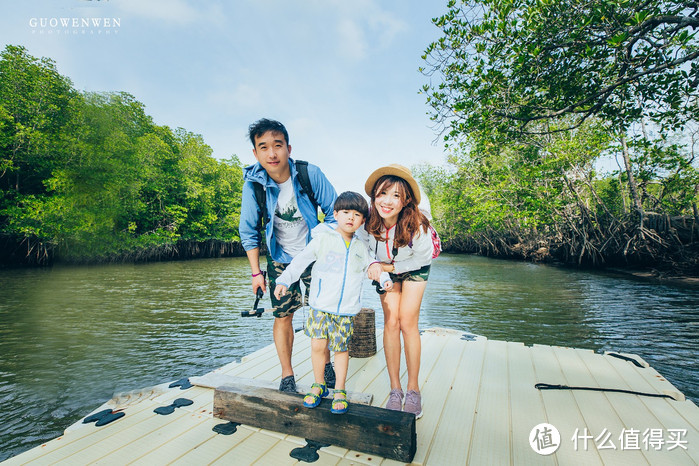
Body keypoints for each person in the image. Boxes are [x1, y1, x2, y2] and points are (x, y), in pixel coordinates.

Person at [239, 118, 338, 393]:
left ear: (288, 148)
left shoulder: (309, 174)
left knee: (322, 312)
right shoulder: (253, 186)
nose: (272, 153)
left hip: (315, 254)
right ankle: (287, 375)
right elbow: (248, 232)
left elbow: (334, 211)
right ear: (256, 153)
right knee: (283, 316)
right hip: (280, 259)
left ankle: (326, 362)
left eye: (278, 145)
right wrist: (256, 273)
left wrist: (319, 244)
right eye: (264, 147)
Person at [274, 191, 392, 414]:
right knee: (318, 346)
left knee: (341, 349)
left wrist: (384, 279)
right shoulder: (322, 240)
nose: (351, 218)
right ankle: (319, 384)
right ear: (335, 214)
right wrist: (284, 281)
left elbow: (374, 266)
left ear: (362, 220)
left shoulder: (361, 247)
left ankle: (339, 389)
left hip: (345, 311)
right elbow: (300, 262)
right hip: (319, 307)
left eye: (357, 214)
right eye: (346, 212)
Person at [360, 164, 433, 418]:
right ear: (374, 197)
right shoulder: (367, 221)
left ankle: (413, 389)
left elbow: (422, 260)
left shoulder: (419, 225)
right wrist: (375, 266)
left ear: (406, 200)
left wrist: (391, 265)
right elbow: (363, 248)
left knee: (407, 322)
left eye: (395, 195)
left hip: (414, 266)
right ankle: (396, 389)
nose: (387, 201)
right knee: (391, 322)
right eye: (381, 194)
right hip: (384, 270)